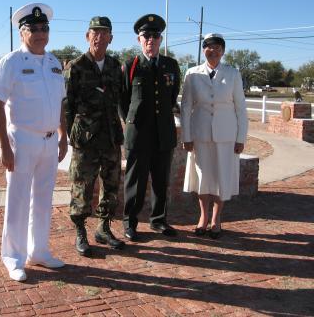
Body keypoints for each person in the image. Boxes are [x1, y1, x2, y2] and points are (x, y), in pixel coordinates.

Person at [0, 2, 68, 281]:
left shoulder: (55, 62)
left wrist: (63, 135)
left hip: (49, 141)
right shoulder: (11, 62)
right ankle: (13, 257)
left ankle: (39, 251)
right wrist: (4, 147)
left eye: (44, 28)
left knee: (43, 199)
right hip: (22, 139)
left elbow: (60, 103)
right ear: (22, 33)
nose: (40, 33)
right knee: (18, 200)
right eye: (33, 29)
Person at [64, 16, 125, 257]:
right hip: (86, 138)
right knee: (82, 185)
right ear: (87, 37)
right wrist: (71, 135)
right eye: (94, 32)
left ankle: (103, 228)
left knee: (111, 184)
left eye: (104, 33)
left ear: (110, 38)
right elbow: (67, 106)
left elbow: (118, 99)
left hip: (110, 136)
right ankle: (81, 232)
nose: (99, 37)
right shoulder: (76, 67)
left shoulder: (114, 65)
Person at [119, 14, 181, 241]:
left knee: (161, 180)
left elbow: (172, 96)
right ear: (139, 39)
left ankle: (158, 220)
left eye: (155, 36)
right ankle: (130, 223)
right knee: (135, 180)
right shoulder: (130, 66)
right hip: (139, 134)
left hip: (163, 133)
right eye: (146, 36)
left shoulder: (171, 66)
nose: (151, 40)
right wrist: (132, 124)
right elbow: (122, 101)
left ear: (160, 39)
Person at [181, 33, 248, 239]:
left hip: (226, 135)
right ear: (203, 50)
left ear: (223, 51)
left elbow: (241, 108)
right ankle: (202, 217)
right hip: (200, 134)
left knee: (222, 177)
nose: (213, 50)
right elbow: (185, 108)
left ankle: (216, 219)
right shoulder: (192, 74)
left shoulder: (233, 74)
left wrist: (241, 138)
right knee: (203, 178)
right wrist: (186, 136)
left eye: (218, 47)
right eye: (209, 47)